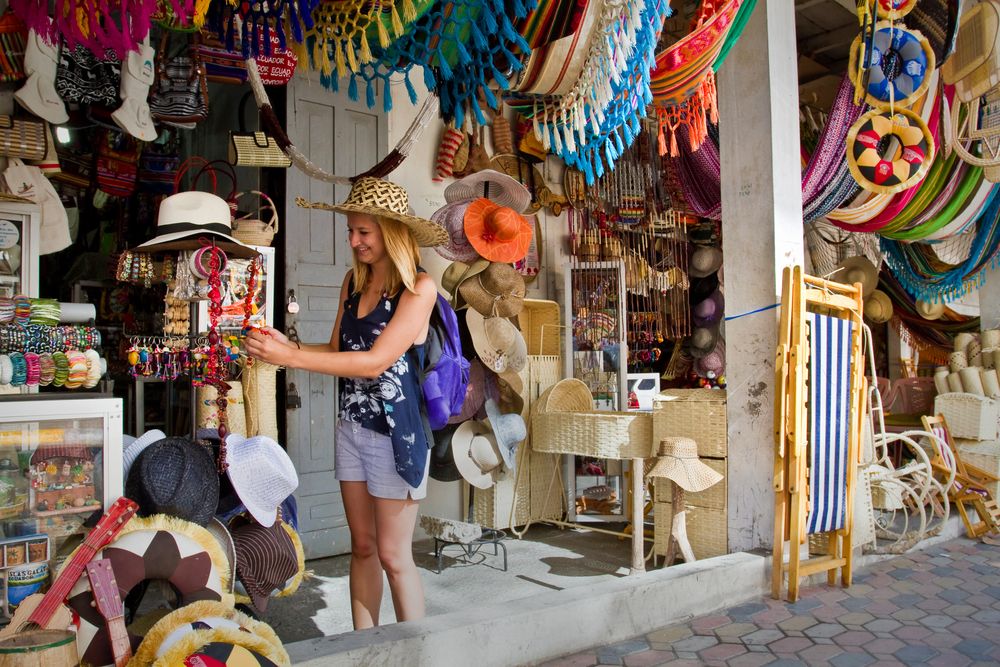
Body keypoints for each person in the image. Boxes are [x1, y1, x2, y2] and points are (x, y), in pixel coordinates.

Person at [245, 177, 448, 630]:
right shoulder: (352, 284)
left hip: (397, 437)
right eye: (350, 232)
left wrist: (289, 359)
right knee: (362, 547)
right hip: (352, 430)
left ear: (391, 232)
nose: (354, 242)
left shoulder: (419, 288)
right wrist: (288, 344)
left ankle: (416, 653)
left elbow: (375, 362)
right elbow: (339, 347)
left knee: (395, 556)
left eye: (364, 233)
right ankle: (364, 647)